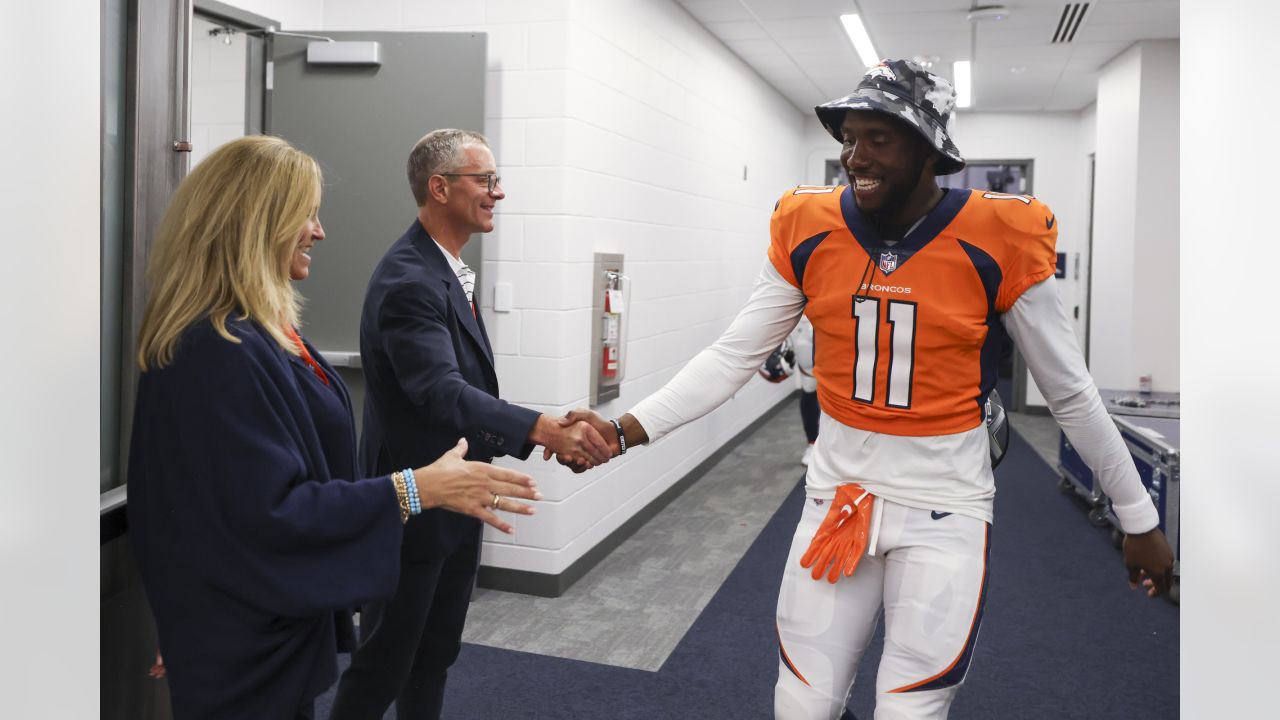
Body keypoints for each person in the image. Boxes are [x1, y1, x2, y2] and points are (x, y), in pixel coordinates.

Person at [555, 60, 1174, 719]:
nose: (855, 156)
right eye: (849, 137)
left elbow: (1071, 395)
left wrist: (1138, 518)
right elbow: (735, 353)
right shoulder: (809, 224)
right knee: (801, 706)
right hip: (838, 497)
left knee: (909, 709)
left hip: (944, 506)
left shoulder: (1000, 236)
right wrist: (626, 428)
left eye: (879, 137)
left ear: (928, 148)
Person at [126, 135, 541, 720]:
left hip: (266, 621)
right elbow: (251, 510)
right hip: (240, 631)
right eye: (307, 214)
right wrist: (417, 488)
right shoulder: (214, 348)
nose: (319, 231)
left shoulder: (259, 333)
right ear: (256, 223)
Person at [330, 129, 613, 720]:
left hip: (459, 502)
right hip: (416, 507)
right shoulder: (410, 278)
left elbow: (462, 392)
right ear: (440, 187)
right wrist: (543, 429)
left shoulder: (444, 268)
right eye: (485, 181)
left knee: (432, 656)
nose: (498, 193)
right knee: (385, 663)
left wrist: (536, 432)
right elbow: (440, 393)